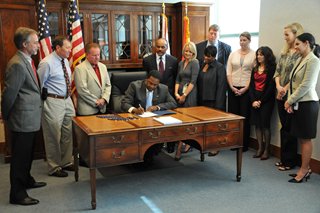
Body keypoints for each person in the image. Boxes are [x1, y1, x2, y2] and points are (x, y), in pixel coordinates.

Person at [1, 27, 46, 206]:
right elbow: (9, 94)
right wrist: (5, 116)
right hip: (22, 119)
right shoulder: (17, 64)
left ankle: (27, 180)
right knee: (20, 158)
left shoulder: (27, 60)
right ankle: (17, 194)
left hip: (31, 117)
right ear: (25, 44)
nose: (38, 45)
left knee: (27, 154)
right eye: (35, 42)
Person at [37, 36, 75, 178]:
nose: (70, 51)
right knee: (53, 134)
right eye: (67, 48)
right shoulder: (46, 63)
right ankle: (54, 167)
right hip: (53, 101)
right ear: (58, 48)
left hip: (67, 100)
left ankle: (66, 162)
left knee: (68, 132)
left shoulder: (64, 60)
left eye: (71, 48)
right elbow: (38, 85)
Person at [285, 33, 320, 183]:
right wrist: (291, 102)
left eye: (298, 44)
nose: (295, 47)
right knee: (300, 137)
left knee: (306, 139)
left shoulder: (314, 60)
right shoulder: (301, 59)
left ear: (306, 43)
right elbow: (293, 83)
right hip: (299, 103)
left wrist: (289, 101)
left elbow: (306, 85)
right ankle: (305, 168)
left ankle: (304, 170)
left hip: (308, 104)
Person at [121, 70, 177, 165]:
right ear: (146, 79)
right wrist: (135, 110)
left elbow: (173, 103)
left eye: (155, 85)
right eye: (150, 83)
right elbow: (124, 103)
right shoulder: (135, 86)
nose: (152, 86)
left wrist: (157, 107)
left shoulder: (163, 89)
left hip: (154, 120)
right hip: (137, 120)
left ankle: (150, 154)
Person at [273, 23, 303, 171]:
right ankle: (283, 159)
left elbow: (297, 77)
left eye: (287, 34)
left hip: (291, 95)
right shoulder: (284, 52)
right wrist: (278, 86)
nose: (284, 37)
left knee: (290, 128)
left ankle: (290, 161)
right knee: (283, 126)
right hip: (280, 94)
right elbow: (277, 72)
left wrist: (284, 89)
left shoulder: (300, 54)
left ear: (296, 34)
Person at [143, 38, 178, 153]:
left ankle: (170, 145)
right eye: (158, 46)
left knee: (169, 122)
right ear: (154, 47)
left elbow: (175, 78)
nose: (160, 49)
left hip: (167, 95)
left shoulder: (173, 60)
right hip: (152, 94)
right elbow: (145, 78)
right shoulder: (147, 60)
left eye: (163, 47)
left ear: (167, 48)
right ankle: (154, 146)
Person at [226, 31, 256, 152]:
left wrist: (245, 89)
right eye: (241, 40)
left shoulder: (254, 55)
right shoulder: (233, 54)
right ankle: (233, 142)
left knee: (244, 116)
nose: (242, 42)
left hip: (246, 88)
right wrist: (232, 87)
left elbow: (253, 74)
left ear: (249, 41)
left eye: (244, 40)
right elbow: (228, 71)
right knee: (233, 116)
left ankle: (243, 144)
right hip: (233, 88)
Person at [249, 46, 276, 160]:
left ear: (267, 56)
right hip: (255, 99)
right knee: (257, 125)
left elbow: (271, 87)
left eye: (261, 54)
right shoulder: (255, 68)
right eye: (258, 54)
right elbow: (251, 85)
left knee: (265, 125)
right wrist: (253, 100)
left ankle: (266, 150)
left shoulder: (272, 68)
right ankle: (259, 148)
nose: (259, 56)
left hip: (266, 100)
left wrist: (261, 101)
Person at [174, 41, 199, 161]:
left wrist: (184, 95)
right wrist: (176, 93)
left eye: (190, 51)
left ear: (194, 52)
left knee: (187, 120)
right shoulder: (180, 63)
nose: (188, 53)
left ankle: (181, 147)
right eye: (186, 50)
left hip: (190, 93)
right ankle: (184, 142)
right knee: (180, 120)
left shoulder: (195, 62)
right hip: (179, 93)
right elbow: (177, 79)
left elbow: (193, 82)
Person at [74, 43, 111, 115]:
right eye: (94, 55)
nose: (97, 57)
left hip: (102, 109)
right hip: (87, 111)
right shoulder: (80, 68)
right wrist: (96, 102)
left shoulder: (103, 67)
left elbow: (108, 85)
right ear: (87, 55)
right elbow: (82, 90)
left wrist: (104, 99)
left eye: (98, 55)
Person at [197, 45, 227, 111]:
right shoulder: (202, 65)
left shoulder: (220, 67)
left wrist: (218, 106)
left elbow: (221, 88)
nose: (205, 57)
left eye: (208, 56)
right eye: (205, 55)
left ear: (214, 56)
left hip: (212, 103)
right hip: (200, 100)